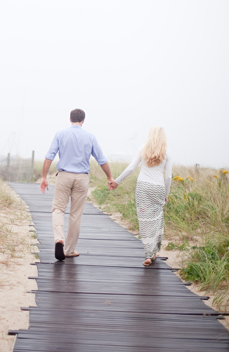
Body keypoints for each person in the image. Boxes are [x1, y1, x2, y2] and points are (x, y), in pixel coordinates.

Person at [40, 108, 117, 261]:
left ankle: (59, 239)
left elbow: (49, 156)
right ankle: (69, 250)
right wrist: (110, 177)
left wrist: (43, 177)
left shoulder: (60, 134)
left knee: (58, 209)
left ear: (70, 119)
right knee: (76, 215)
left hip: (64, 176)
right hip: (82, 178)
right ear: (83, 120)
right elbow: (102, 160)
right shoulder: (90, 137)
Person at [114, 126, 173, 266]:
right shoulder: (167, 153)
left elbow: (130, 168)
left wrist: (117, 181)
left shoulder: (142, 149)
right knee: (156, 219)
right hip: (158, 188)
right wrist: (166, 194)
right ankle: (153, 252)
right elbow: (168, 177)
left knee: (145, 220)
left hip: (143, 187)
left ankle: (149, 253)